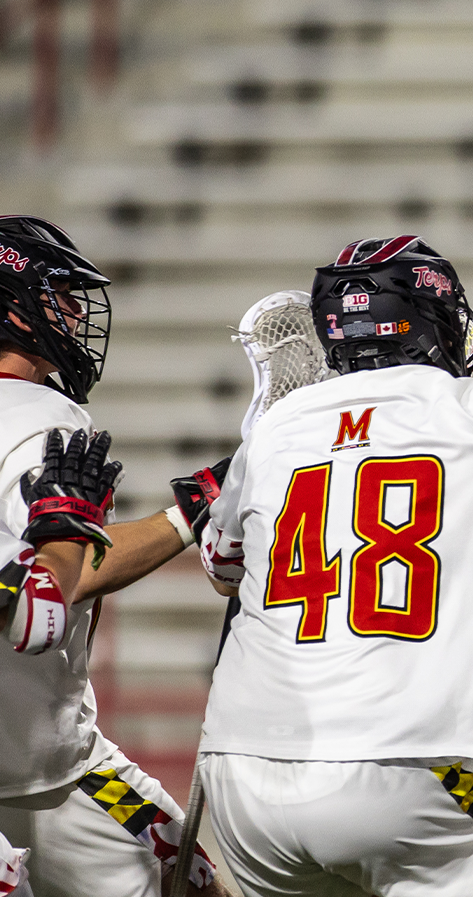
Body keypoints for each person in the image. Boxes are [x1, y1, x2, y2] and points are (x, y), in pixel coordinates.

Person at [193, 235, 473, 897]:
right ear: (434, 322)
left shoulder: (279, 428)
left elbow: (222, 567)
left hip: (242, 778)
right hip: (402, 768)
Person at [0, 215, 224, 896]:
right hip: (43, 755)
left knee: (183, 874)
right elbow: (53, 589)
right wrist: (191, 514)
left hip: (54, 757)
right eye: (55, 295)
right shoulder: (39, 413)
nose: (70, 313)